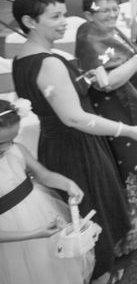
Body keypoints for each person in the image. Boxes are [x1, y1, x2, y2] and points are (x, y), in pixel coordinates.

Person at [12, 0, 137, 284]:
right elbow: (74, 117)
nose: (65, 22)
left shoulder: (21, 59)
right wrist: (128, 130)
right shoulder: (48, 62)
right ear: (29, 20)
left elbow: (48, 101)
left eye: (64, 14)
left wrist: (85, 80)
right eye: (55, 16)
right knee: (93, 211)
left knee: (82, 211)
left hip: (53, 145)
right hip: (78, 147)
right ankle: (101, 275)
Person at [76, 0, 137, 253]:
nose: (112, 14)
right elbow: (107, 83)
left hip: (133, 105)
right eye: (104, 10)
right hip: (116, 112)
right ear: (88, 14)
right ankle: (129, 235)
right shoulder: (89, 36)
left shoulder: (110, 31)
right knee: (128, 167)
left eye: (115, 8)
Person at [0, 98, 94, 284]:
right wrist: (33, 234)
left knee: (54, 267)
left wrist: (67, 184)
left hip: (40, 215)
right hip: (12, 236)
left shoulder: (15, 150)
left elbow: (43, 175)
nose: (8, 146)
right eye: (1, 142)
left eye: (13, 139)